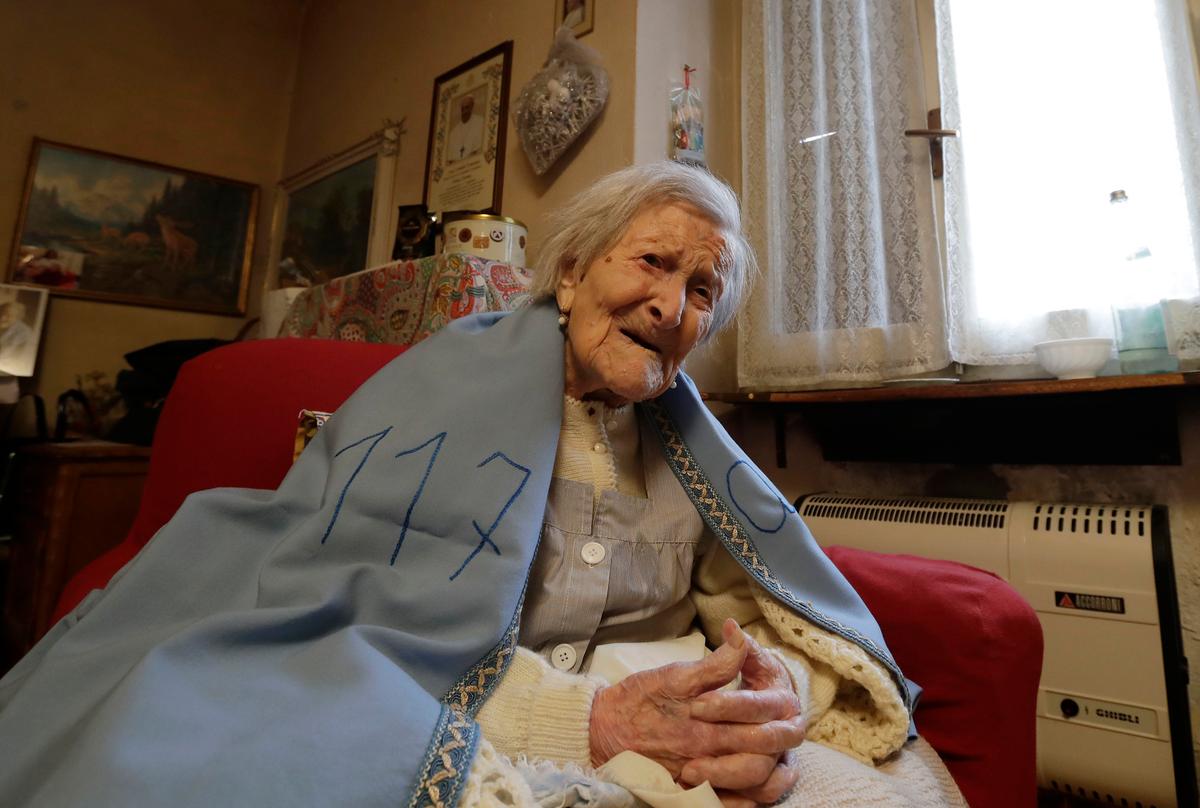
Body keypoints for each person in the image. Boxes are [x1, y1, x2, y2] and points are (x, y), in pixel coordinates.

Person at [0, 163, 963, 807]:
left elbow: (759, 615)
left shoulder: (694, 454)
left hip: (667, 712)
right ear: (576, 272)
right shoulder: (447, 387)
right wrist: (593, 722)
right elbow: (357, 611)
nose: (672, 305)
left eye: (702, 290)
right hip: (482, 710)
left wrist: (765, 706)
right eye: (655, 264)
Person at [447, 93, 485, 163]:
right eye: (462, 108)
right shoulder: (453, 133)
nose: (464, 111)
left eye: (467, 107)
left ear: (472, 107)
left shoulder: (480, 122)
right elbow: (450, 160)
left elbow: (479, 151)